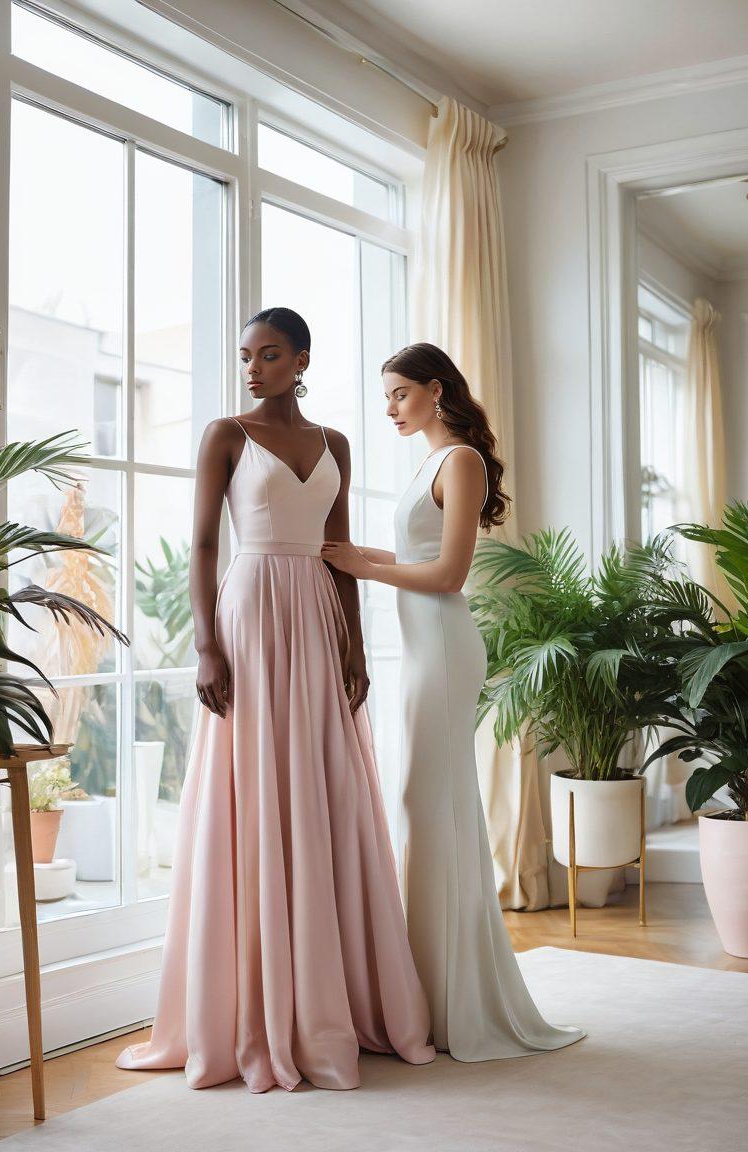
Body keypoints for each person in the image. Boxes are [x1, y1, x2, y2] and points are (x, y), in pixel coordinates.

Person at [116, 310, 434, 1092]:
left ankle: (330, 998)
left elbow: (340, 551)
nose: (253, 368)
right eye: (245, 356)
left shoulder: (338, 445)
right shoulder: (225, 433)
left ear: (302, 360)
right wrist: (203, 643)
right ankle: (253, 1008)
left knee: (324, 790)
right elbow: (201, 545)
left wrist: (355, 644)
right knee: (252, 789)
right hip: (250, 614)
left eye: (269, 355)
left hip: (319, 618)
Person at [322, 342, 584, 1062]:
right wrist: (357, 558)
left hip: (443, 650)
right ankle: (429, 992)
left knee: (429, 808)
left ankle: (455, 1000)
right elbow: (417, 559)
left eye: (400, 394)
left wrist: (366, 569)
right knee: (430, 810)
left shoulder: (460, 460)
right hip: (420, 654)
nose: (390, 408)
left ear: (436, 391)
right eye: (386, 397)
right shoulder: (429, 464)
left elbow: (447, 574)